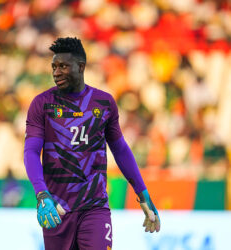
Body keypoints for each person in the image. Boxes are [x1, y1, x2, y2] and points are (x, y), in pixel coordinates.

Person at [24, 37, 160, 250]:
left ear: (81, 67)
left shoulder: (104, 103)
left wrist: (142, 192)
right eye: (54, 67)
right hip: (56, 208)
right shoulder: (42, 104)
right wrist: (41, 194)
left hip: (94, 208)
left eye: (63, 66)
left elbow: (121, 150)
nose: (56, 72)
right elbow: (31, 152)